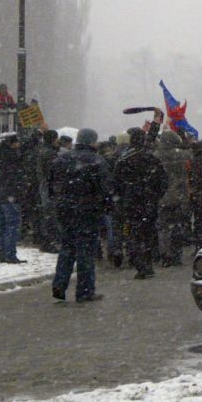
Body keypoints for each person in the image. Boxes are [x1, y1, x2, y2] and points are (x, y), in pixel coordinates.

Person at [50, 128, 114, 303]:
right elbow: (105, 189)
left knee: (67, 247)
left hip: (65, 209)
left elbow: (51, 185)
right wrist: (106, 207)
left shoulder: (61, 160)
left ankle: (59, 284)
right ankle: (85, 290)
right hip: (88, 211)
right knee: (86, 251)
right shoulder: (97, 161)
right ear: (92, 141)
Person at [113, 128, 168, 280]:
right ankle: (148, 263)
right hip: (149, 202)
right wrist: (156, 195)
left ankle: (139, 263)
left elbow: (116, 184)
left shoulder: (123, 160)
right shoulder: (152, 159)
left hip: (130, 203)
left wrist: (122, 198)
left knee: (131, 234)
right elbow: (163, 181)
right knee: (148, 233)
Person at [154, 130, 191, 267]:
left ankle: (165, 254)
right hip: (180, 195)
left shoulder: (156, 156)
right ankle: (176, 254)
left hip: (162, 196)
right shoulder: (184, 155)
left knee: (163, 228)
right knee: (178, 226)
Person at [0, 132, 28, 264]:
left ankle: (2, 252)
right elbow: (14, 177)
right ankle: (10, 254)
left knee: (1, 225)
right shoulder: (11, 157)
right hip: (10, 195)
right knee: (11, 225)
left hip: (0, 194)